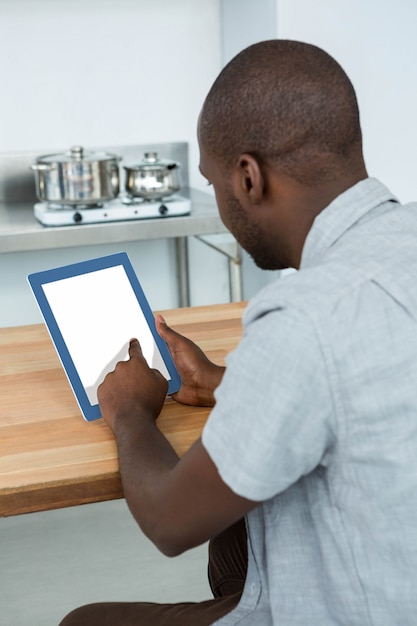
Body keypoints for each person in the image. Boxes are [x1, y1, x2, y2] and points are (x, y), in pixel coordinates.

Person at [60, 39, 417, 625]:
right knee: (234, 530)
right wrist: (228, 381)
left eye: (216, 183)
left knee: (82, 621)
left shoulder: (305, 319)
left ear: (248, 177)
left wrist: (130, 411)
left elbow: (170, 523)